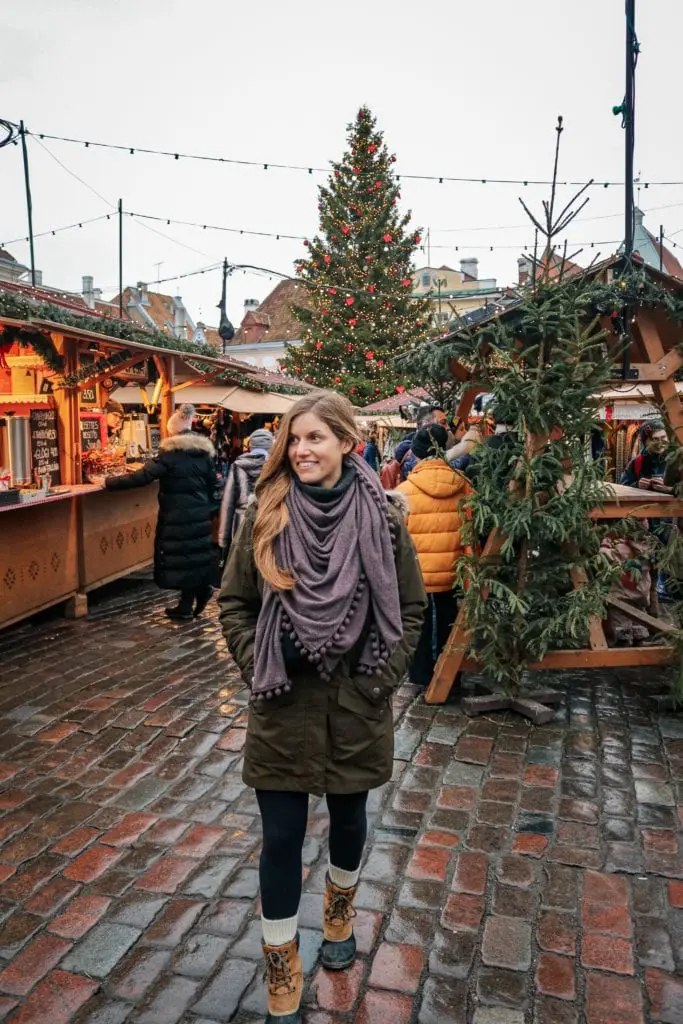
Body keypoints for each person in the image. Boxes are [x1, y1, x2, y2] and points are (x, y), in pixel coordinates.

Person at [218, 391, 426, 1023]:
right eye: (295, 440)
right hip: (282, 705)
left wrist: (378, 682)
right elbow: (232, 603)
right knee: (279, 837)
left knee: (348, 822)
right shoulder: (265, 517)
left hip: (354, 705)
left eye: (315, 438)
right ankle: (281, 962)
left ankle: (339, 914)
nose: (302, 451)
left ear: (344, 442)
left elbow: (411, 609)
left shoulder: (386, 520)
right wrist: (263, 655)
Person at [92, 403, 217, 621]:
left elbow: (142, 477)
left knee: (182, 557)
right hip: (199, 513)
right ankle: (192, 599)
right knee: (193, 556)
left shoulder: (169, 453)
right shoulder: (204, 453)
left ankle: (191, 600)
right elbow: (213, 484)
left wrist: (108, 483)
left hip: (177, 515)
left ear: (174, 431)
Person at [396, 424, 468, 686]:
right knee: (450, 619)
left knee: (419, 623)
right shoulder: (464, 487)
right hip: (454, 571)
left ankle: (420, 674)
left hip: (418, 574)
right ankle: (450, 673)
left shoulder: (405, 491)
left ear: (416, 455)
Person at [218, 428, 273, 553]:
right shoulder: (276, 467)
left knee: (241, 569)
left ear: (251, 446)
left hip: (241, 528)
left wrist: (223, 539)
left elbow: (227, 503)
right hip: (268, 528)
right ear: (271, 447)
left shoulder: (237, 466)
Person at [393, 405, 450, 481]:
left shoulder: (423, 448)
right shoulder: (416, 455)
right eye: (443, 422)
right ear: (426, 424)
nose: (448, 427)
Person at [620, 422, 671, 491]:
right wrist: (637, 485)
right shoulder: (637, 462)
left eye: (663, 437)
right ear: (645, 442)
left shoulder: (678, 460)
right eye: (655, 439)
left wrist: (669, 489)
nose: (660, 443)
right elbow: (622, 488)